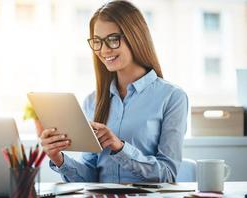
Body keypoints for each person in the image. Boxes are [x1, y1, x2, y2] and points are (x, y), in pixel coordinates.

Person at [39, 0, 188, 183]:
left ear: (135, 37)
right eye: (97, 42)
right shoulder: (92, 101)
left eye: (112, 39)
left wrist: (120, 148)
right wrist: (58, 158)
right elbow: (90, 177)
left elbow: (167, 174)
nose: (103, 50)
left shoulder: (172, 97)